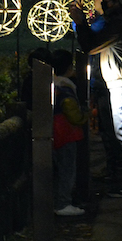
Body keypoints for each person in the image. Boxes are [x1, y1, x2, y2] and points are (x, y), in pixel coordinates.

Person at [69, 0, 122, 197]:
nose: (98, 1)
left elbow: (90, 46)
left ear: (112, 1)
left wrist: (80, 22)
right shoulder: (121, 22)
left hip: (120, 83)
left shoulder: (117, 25)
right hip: (119, 82)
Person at [50, 49, 87, 216]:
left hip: (54, 132)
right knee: (67, 169)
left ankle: (58, 201)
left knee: (59, 169)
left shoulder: (52, 85)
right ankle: (63, 203)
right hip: (66, 132)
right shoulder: (66, 88)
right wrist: (85, 115)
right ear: (68, 68)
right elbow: (73, 114)